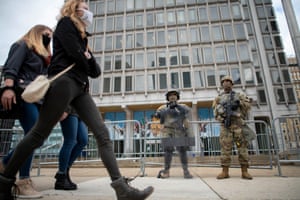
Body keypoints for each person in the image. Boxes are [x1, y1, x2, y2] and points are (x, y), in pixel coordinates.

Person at [0, 1, 154, 200]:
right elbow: (77, 55)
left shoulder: (83, 37)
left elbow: (96, 71)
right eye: (85, 8)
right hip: (64, 83)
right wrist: (87, 58)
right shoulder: (65, 24)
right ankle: (5, 181)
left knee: (102, 134)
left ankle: (121, 189)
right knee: (38, 135)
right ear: (74, 8)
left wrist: (87, 58)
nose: (88, 12)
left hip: (81, 88)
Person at [0, 24, 52, 199]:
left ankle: (6, 163)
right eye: (46, 34)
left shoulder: (44, 58)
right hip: (23, 94)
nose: (49, 38)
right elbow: (11, 66)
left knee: (36, 136)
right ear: (37, 33)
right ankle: (23, 180)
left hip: (37, 98)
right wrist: (8, 88)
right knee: (33, 135)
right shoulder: (23, 45)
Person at [212, 75, 253, 180]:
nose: (226, 83)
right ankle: (225, 171)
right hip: (226, 126)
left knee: (242, 148)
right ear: (222, 85)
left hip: (238, 126)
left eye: (228, 81)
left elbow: (248, 106)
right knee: (225, 149)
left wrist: (239, 103)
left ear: (232, 84)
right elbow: (215, 113)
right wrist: (222, 118)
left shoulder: (239, 95)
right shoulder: (218, 98)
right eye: (224, 81)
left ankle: (245, 171)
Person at [155, 90, 194, 179]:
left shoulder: (183, 106)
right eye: (170, 95)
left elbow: (188, 112)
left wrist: (178, 107)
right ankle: (166, 171)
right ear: (167, 97)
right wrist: (167, 109)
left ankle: (185, 171)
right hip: (167, 130)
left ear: (177, 97)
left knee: (182, 151)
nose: (172, 97)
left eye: (174, 95)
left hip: (179, 130)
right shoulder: (162, 107)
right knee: (168, 151)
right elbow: (157, 116)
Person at [55, 107, 88, 190]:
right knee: (70, 141)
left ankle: (64, 171)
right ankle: (61, 176)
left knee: (83, 140)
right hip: (69, 110)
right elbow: (68, 93)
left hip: (79, 112)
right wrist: (66, 109)